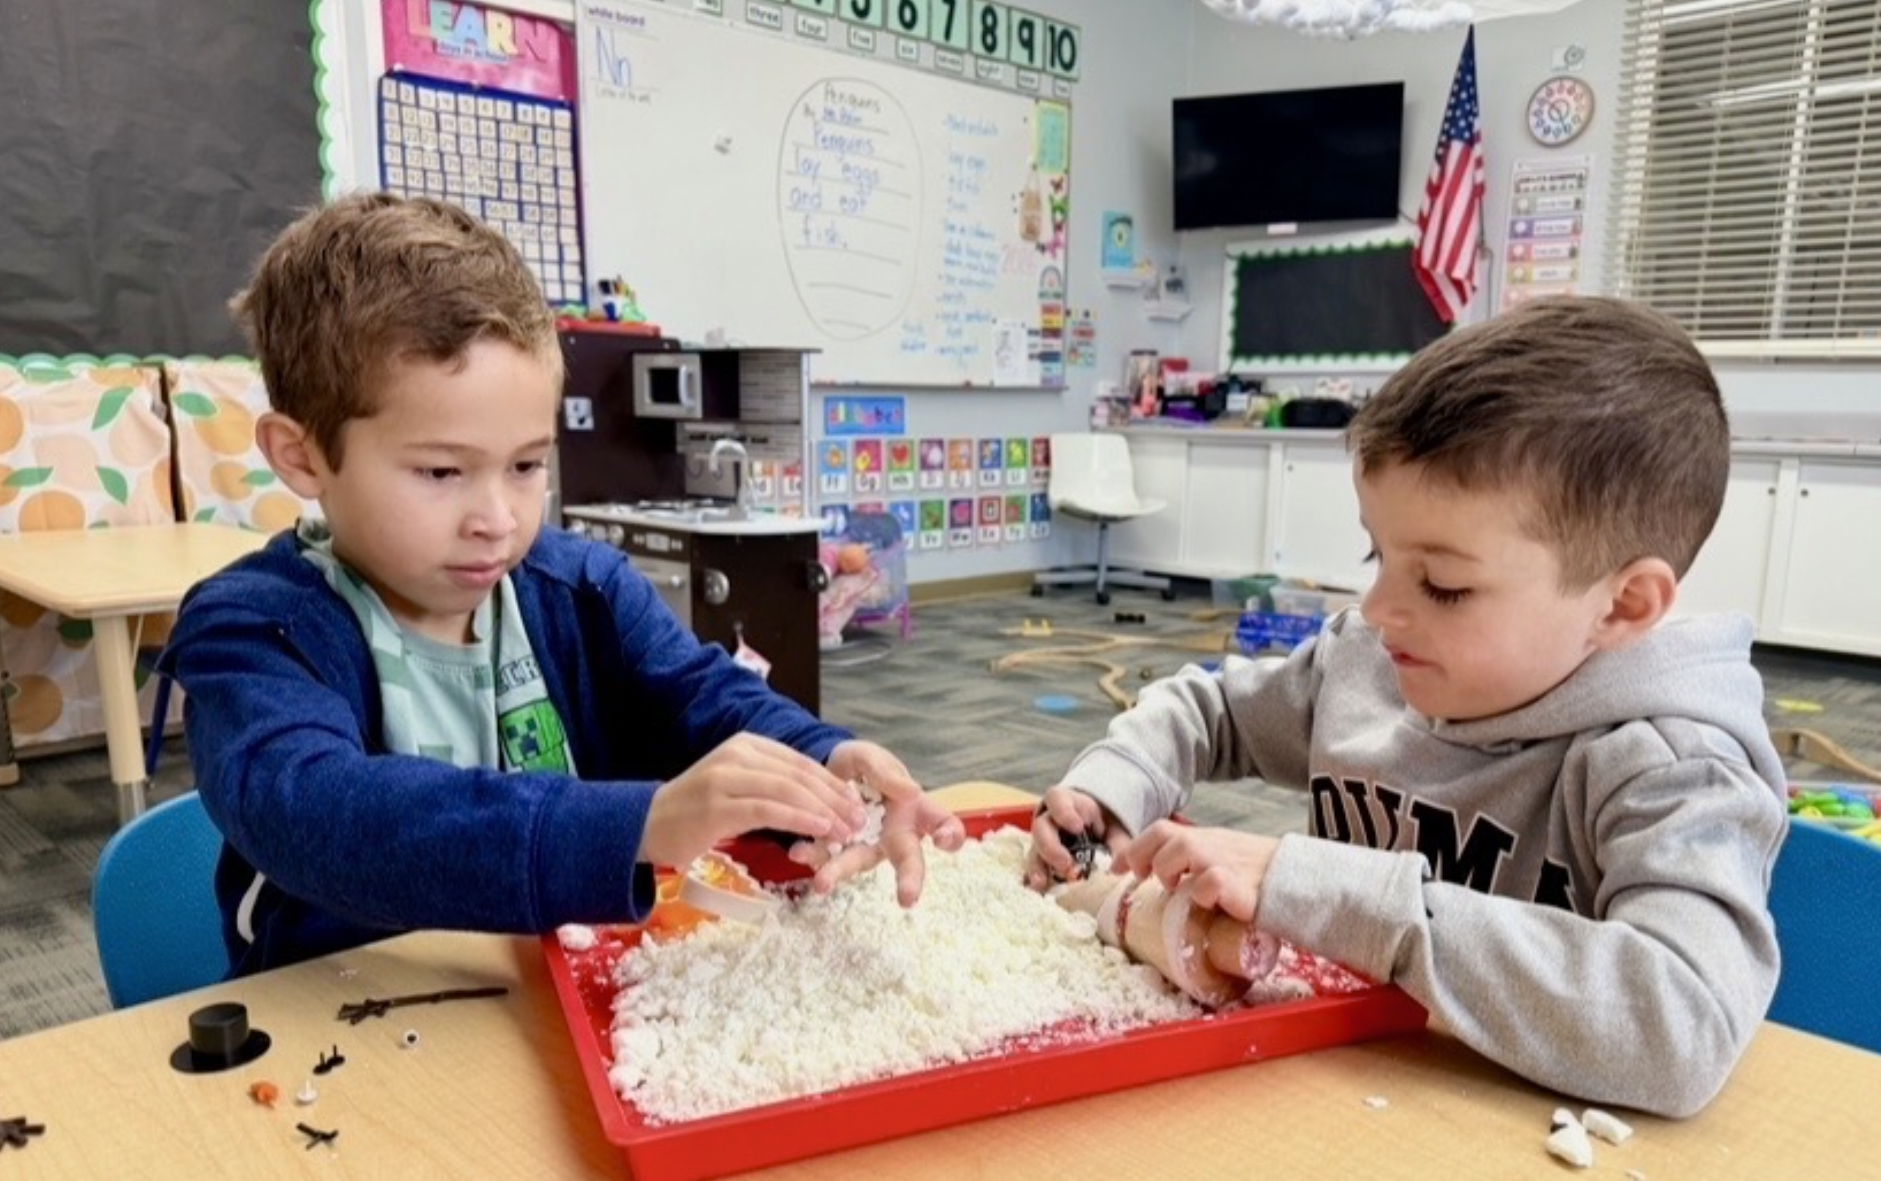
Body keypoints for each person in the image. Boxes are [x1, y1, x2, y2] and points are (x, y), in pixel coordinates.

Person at [159, 192, 961, 977]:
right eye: (441, 471)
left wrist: (826, 759)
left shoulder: (583, 586)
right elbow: (320, 812)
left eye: (526, 465)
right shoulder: (250, 631)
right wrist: (640, 824)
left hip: (555, 992)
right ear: (302, 456)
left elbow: (703, 697)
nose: (497, 518)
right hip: (347, 1018)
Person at [1029, 296, 1787, 1119]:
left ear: (1624, 605)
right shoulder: (1371, 662)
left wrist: (1338, 893)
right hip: (1333, 1105)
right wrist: (1117, 783)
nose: (1379, 606)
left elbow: (1680, 1030)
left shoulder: (1674, 770)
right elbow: (1208, 711)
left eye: (1444, 584)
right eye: (1376, 552)